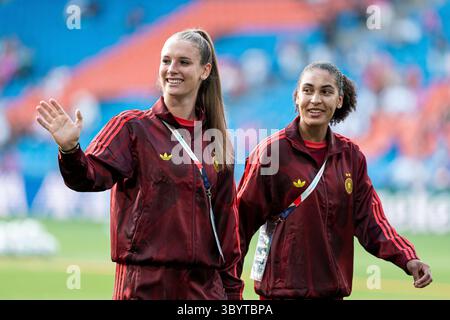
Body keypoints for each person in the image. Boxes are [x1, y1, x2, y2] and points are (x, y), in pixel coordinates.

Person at [35, 29, 241, 300]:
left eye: (183, 62)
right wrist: (70, 149)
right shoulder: (132, 127)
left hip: (203, 291)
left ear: (205, 71)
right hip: (143, 287)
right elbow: (88, 178)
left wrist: (233, 295)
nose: (171, 69)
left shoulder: (217, 141)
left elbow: (226, 232)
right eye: (166, 61)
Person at [229, 61, 432, 299]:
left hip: (332, 294)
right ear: (296, 97)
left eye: (326, 91)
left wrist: (408, 258)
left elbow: (372, 222)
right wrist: (231, 293)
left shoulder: (351, 156)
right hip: (280, 294)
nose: (315, 99)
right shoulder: (271, 153)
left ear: (339, 100)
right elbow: (238, 228)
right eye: (308, 90)